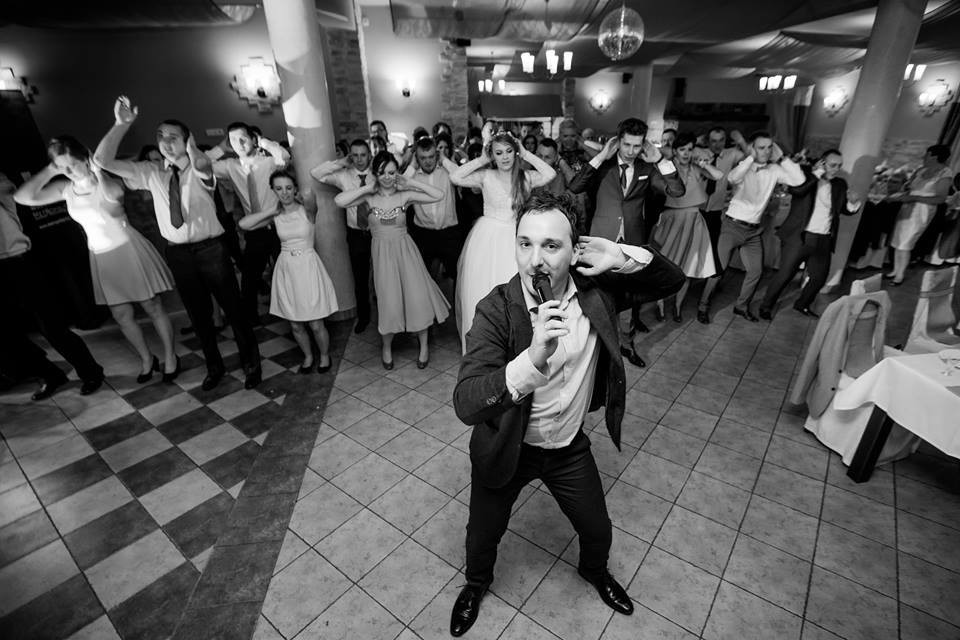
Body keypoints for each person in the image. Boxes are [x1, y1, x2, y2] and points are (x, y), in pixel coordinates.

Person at [450, 191, 685, 637]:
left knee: (597, 529)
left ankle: (594, 571)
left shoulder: (597, 291)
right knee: (482, 534)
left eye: (551, 245)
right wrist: (531, 360)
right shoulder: (496, 309)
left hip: (567, 448)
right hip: (508, 446)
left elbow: (671, 281)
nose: (535, 260)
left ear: (575, 251)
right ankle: (475, 585)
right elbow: (466, 402)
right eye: (525, 243)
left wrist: (621, 256)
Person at [94, 95, 262, 391]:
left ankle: (251, 363)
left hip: (211, 250)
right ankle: (214, 367)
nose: (165, 142)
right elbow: (101, 161)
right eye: (160, 136)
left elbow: (202, 164)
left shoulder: (200, 167)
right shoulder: (151, 172)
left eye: (173, 137)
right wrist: (121, 124)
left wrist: (194, 148)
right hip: (179, 254)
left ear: (187, 140)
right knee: (199, 316)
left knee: (233, 310)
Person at [15, 136, 179, 384]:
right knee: (122, 316)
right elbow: (23, 197)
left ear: (86, 159)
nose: (68, 171)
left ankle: (170, 356)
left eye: (72, 165)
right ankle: (147, 359)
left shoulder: (109, 182)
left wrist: (98, 172)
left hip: (128, 250)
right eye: (62, 167)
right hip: (101, 256)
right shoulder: (65, 189)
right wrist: (51, 170)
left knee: (152, 306)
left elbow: (113, 198)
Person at [567, 118, 684, 367]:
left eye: (637, 145)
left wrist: (661, 161)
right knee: (597, 295)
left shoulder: (646, 168)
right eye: (627, 144)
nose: (631, 151)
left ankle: (627, 344)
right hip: (600, 239)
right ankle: (595, 347)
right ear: (618, 141)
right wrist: (601, 156)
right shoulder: (603, 166)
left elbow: (677, 191)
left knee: (629, 295)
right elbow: (575, 186)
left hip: (632, 241)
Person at [335, 151, 450, 368]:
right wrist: (367, 188)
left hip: (407, 253)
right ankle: (386, 347)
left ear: (396, 172)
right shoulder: (369, 197)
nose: (387, 177)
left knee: (416, 298)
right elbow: (339, 201)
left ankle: (423, 346)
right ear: (375, 174)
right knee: (388, 302)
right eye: (382, 173)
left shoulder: (404, 195)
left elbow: (439, 195)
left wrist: (410, 182)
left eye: (391, 172)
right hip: (382, 257)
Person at [0, 171, 105, 399]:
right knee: (6, 336)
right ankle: (50, 374)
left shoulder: (2, 185)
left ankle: (90, 371)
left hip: (16, 262)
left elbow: (8, 189)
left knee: (51, 326)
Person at [450, 130, 557, 352]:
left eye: (509, 151)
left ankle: (513, 346)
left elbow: (550, 173)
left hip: (516, 238)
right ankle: (481, 347)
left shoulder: (525, 177)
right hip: (487, 239)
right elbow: (455, 177)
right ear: (493, 155)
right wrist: (482, 159)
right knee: (482, 289)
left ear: (515, 152)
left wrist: (526, 153)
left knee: (514, 291)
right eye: (498, 153)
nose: (505, 157)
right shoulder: (485, 176)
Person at [697, 131, 805, 322]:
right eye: (761, 147)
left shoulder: (774, 170)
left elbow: (799, 180)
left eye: (769, 147)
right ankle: (703, 306)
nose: (766, 151)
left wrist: (782, 158)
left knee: (756, 272)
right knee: (718, 270)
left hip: (753, 231)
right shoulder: (744, 166)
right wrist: (750, 158)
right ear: (753, 148)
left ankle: (741, 306)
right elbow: (732, 178)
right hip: (732, 227)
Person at [239, 171, 337, 373]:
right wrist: (271, 211)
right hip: (286, 269)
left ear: (295, 189)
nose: (284, 193)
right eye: (279, 189)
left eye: (289, 188)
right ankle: (308, 356)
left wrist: (301, 194)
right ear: (273, 191)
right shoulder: (275, 217)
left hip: (308, 267)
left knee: (316, 323)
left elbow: (310, 195)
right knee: (295, 324)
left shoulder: (307, 211)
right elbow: (243, 224)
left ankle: (324, 355)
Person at [758, 150, 861, 318]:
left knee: (819, 277)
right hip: (800, 237)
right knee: (785, 274)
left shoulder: (840, 184)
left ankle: (802, 304)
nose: (836, 169)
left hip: (824, 238)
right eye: (832, 165)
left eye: (839, 166)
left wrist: (853, 203)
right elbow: (798, 191)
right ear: (822, 162)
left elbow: (842, 210)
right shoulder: (805, 176)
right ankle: (766, 306)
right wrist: (816, 174)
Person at [206, 122, 290, 326]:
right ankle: (251, 319)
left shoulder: (269, 162)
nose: (239, 143)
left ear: (253, 139)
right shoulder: (230, 166)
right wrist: (221, 148)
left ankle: (293, 314)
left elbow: (284, 156)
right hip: (254, 230)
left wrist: (263, 141)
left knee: (287, 273)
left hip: (278, 226)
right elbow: (201, 165)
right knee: (250, 278)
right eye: (234, 140)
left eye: (243, 138)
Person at [650, 132, 722, 321]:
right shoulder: (667, 167)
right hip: (672, 219)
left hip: (694, 220)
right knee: (664, 265)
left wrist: (703, 163)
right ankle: (660, 305)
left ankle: (677, 307)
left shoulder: (696, 168)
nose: (686, 153)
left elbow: (719, 175)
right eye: (682, 149)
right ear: (675, 150)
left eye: (690, 149)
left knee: (688, 268)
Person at [311, 139, 374, 333]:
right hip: (356, 234)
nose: (359, 159)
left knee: (384, 275)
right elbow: (316, 173)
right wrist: (340, 162)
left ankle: (388, 314)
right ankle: (364, 316)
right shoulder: (344, 176)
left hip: (378, 232)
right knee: (360, 279)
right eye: (355, 155)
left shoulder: (377, 174)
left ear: (369, 155)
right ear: (350, 156)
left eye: (363, 155)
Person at [886, 144, 953, 284]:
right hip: (907, 207)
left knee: (906, 242)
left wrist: (915, 198)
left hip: (922, 210)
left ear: (934, 156)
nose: (924, 157)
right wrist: (901, 195)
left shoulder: (945, 173)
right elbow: (908, 188)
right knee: (898, 239)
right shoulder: (920, 170)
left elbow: (940, 198)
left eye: (927, 154)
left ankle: (900, 275)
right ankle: (895, 270)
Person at [404, 136, 462, 291]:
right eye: (422, 158)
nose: (428, 161)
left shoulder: (448, 172)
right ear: (417, 158)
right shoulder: (412, 177)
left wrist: (444, 160)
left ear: (436, 155)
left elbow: (463, 175)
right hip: (424, 235)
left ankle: (456, 307)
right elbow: (397, 188)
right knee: (423, 279)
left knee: (457, 277)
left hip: (449, 234)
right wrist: (411, 166)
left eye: (431, 156)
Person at [698, 127, 747, 275]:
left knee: (713, 247)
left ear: (725, 141)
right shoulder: (699, 152)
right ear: (708, 141)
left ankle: (709, 278)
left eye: (721, 140)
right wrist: (696, 141)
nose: (717, 144)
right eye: (713, 141)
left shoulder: (732, 154)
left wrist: (741, 141)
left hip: (715, 210)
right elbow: (676, 151)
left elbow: (751, 158)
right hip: (696, 209)